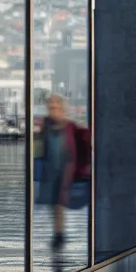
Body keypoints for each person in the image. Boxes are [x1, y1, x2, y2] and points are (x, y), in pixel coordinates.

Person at [35, 94, 90, 249]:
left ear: (61, 108)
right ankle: (58, 234)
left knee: (60, 201)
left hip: (66, 169)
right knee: (55, 203)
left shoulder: (69, 126)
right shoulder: (46, 125)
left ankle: (59, 234)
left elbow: (81, 144)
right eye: (50, 106)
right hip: (51, 169)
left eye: (55, 106)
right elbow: (40, 147)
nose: (52, 109)